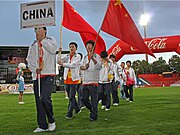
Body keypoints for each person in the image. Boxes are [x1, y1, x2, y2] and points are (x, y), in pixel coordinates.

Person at [26, 27, 57, 133]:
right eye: (36, 30)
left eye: (39, 29)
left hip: (48, 74)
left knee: (45, 98)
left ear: (44, 31)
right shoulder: (33, 45)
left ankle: (51, 121)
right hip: (37, 76)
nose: (37, 31)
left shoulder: (51, 40)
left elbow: (53, 50)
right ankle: (42, 125)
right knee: (39, 101)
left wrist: (42, 40)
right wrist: (35, 69)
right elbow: (29, 60)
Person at [58, 42, 81, 119]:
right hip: (66, 79)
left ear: (76, 48)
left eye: (73, 47)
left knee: (71, 97)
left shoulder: (78, 56)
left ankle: (69, 113)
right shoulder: (67, 56)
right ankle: (77, 108)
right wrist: (59, 53)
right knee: (71, 96)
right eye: (70, 47)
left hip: (74, 80)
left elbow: (73, 65)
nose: (71, 48)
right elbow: (59, 61)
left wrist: (63, 64)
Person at [80, 40, 101, 121]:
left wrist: (93, 59)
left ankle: (94, 116)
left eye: (90, 45)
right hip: (85, 82)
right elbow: (80, 67)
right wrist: (84, 67)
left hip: (93, 82)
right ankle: (92, 110)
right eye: (87, 45)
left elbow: (99, 67)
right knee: (84, 99)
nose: (88, 47)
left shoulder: (97, 56)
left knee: (94, 100)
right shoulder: (85, 57)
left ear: (93, 47)